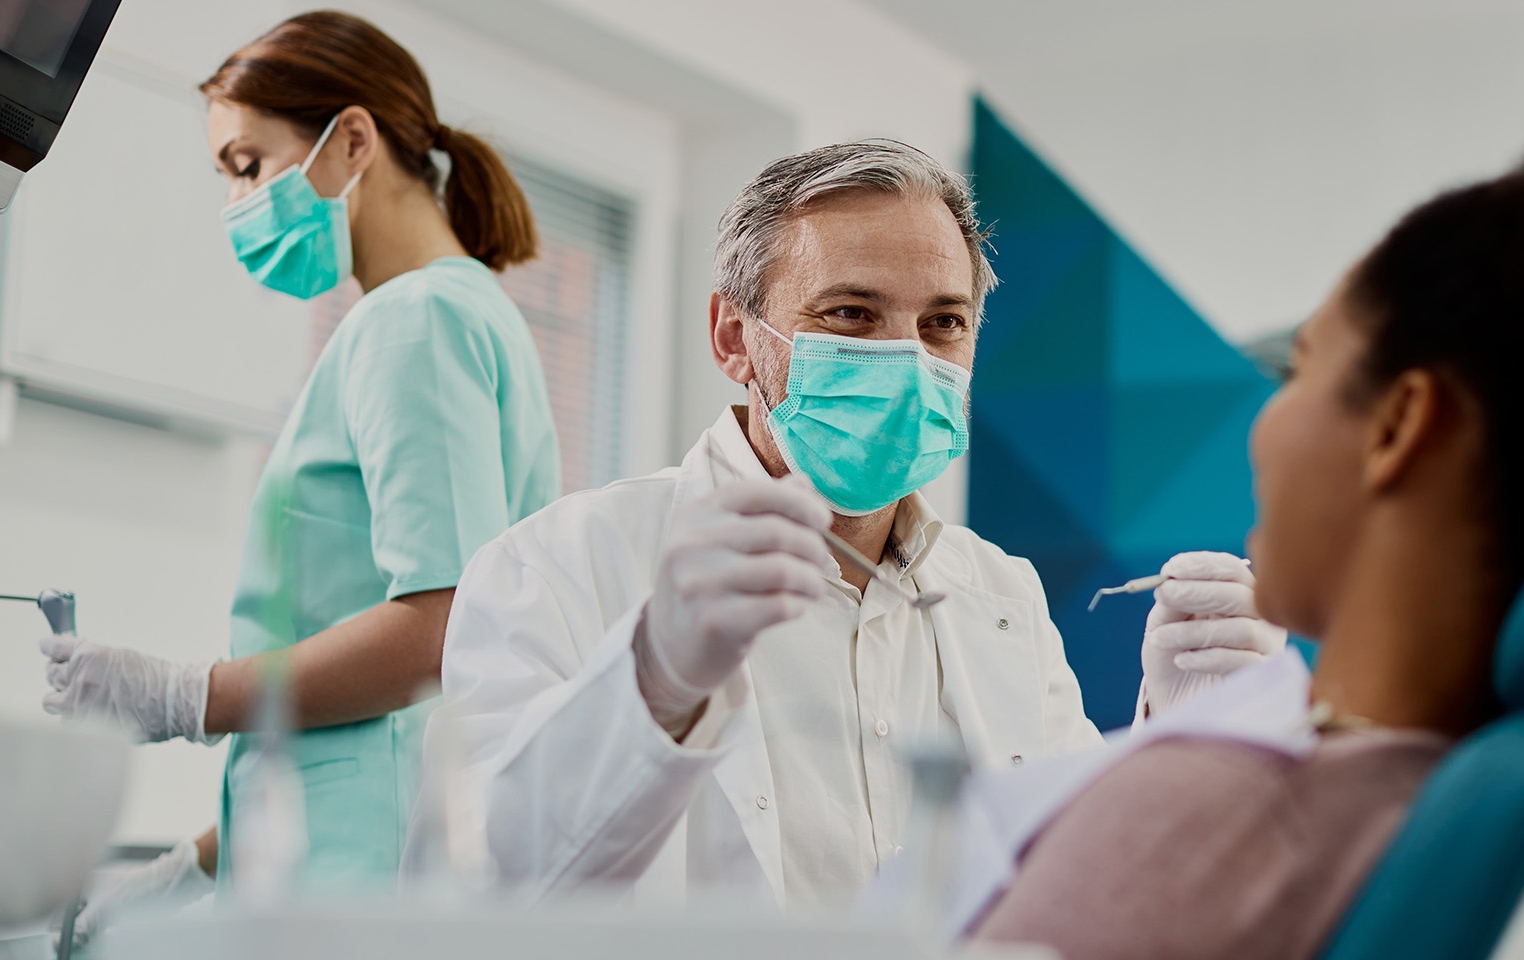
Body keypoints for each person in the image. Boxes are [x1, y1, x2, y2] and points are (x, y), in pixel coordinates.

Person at [965, 72, 1524, 960]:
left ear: (1401, 424)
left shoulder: (1211, 817)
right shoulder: (1494, 812)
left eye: (1299, 371)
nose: (1264, 425)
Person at [412, 140, 1288, 907]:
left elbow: (1063, 890)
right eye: (849, 315)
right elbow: (484, 893)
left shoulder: (1001, 594)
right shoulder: (558, 565)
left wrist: (1178, 740)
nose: (905, 359)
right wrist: (654, 683)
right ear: (731, 336)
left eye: (943, 323)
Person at [35, 10, 559, 935]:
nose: (238, 203)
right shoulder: (454, 314)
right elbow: (347, 735)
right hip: (351, 858)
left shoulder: (416, 322)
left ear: (351, 139)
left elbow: (443, 627)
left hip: (374, 881)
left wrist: (186, 694)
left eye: (248, 165)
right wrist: (191, 867)